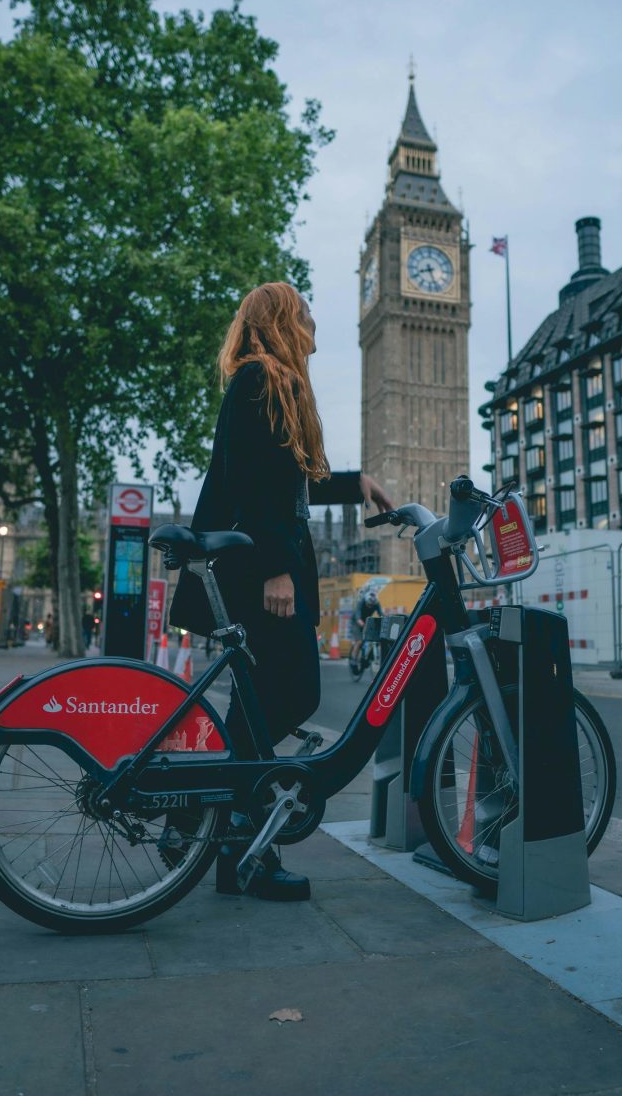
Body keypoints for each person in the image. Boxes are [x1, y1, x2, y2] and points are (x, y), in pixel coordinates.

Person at [185, 281, 392, 901]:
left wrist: (358, 484)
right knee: (295, 690)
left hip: (263, 562)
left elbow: (292, 480)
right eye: (305, 310)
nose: (312, 319)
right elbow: (255, 481)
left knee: (253, 706)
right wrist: (276, 566)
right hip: (261, 570)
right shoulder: (263, 380)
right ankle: (215, 816)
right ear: (280, 320)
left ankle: (228, 839)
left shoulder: (269, 382)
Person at [349, 589, 382, 665]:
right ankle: (354, 659)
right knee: (360, 641)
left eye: (372, 605)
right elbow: (358, 617)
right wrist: (363, 624)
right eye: (368, 605)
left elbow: (381, 614)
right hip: (356, 622)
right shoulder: (360, 603)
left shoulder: (376, 603)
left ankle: (367, 655)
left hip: (367, 621)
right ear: (366, 601)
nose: (370, 607)